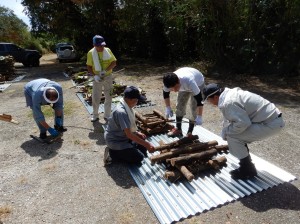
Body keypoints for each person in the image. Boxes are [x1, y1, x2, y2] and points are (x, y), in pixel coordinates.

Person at [202, 83, 285, 179]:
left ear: (215, 97)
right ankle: (246, 162)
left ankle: (247, 169)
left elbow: (243, 124)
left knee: (233, 136)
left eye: (209, 100)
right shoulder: (228, 95)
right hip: (271, 119)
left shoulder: (229, 102)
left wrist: (227, 132)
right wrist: (225, 129)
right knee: (234, 133)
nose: (210, 103)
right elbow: (230, 118)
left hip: (270, 123)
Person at [104, 86, 155, 165]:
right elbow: (129, 134)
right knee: (139, 158)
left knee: (143, 149)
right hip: (116, 140)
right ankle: (112, 154)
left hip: (123, 137)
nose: (137, 102)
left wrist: (137, 133)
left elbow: (130, 129)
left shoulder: (127, 106)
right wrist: (147, 144)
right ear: (130, 99)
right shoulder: (121, 112)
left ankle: (129, 148)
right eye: (136, 100)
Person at [163, 67, 205, 137]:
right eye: (172, 89)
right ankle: (178, 129)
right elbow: (166, 94)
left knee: (194, 107)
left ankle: (189, 132)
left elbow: (199, 100)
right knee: (180, 105)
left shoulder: (189, 81)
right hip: (184, 86)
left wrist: (199, 116)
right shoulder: (168, 82)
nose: (175, 90)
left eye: (175, 87)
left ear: (179, 81)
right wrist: (168, 108)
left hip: (198, 83)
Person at [86, 35, 117, 122]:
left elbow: (114, 62)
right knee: (96, 97)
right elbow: (89, 66)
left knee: (109, 96)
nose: (102, 47)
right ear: (94, 45)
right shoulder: (91, 53)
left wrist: (105, 70)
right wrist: (94, 75)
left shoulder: (107, 50)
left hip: (108, 76)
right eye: (99, 46)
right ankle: (95, 115)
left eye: (103, 45)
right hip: (97, 78)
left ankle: (107, 115)